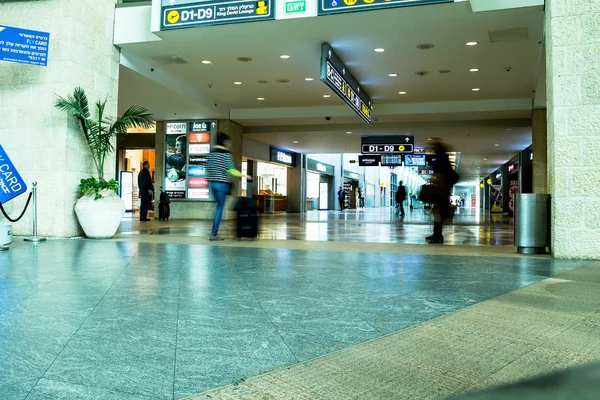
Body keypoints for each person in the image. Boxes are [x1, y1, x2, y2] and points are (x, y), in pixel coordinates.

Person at [206, 132, 242, 241]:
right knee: (219, 208)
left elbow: (207, 169)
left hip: (212, 183)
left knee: (217, 206)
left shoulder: (211, 154)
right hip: (222, 184)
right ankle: (214, 233)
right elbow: (231, 170)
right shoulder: (226, 154)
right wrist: (243, 175)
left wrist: (212, 177)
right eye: (229, 142)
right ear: (225, 142)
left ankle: (214, 230)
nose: (230, 144)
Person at [427, 138, 458, 244]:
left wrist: (435, 179)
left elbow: (441, 175)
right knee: (437, 213)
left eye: (432, 146)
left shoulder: (440, 159)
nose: (430, 148)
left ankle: (438, 236)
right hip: (442, 190)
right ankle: (436, 234)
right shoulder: (442, 158)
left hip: (441, 191)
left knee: (438, 213)